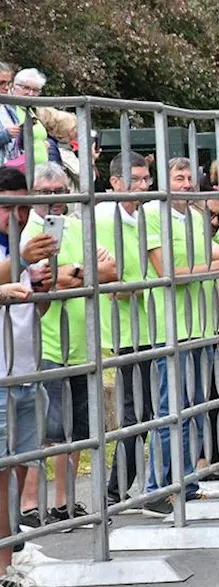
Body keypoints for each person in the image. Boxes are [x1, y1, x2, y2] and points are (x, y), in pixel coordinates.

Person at [19, 162, 118, 529]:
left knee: (78, 429)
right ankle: (31, 504)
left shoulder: (78, 226)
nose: (53, 200)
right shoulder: (26, 228)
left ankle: (65, 502)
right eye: (45, 193)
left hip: (82, 343)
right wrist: (80, 271)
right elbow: (36, 278)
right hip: (41, 344)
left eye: (60, 192)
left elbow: (111, 270)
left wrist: (69, 271)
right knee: (46, 430)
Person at [138, 157, 219, 517]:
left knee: (191, 409)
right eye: (179, 177)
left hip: (199, 326)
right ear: (165, 180)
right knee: (170, 409)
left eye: (190, 178)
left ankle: (185, 483)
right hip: (171, 328)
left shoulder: (196, 218)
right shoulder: (154, 214)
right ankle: (156, 489)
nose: (187, 183)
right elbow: (168, 270)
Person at [0, 166, 57, 587]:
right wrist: (21, 263)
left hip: (25, 370)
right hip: (2, 376)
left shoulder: (19, 251)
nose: (17, 215)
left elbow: (30, 313)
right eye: (9, 208)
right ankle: (5, 567)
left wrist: (43, 288)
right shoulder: (14, 252)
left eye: (23, 207)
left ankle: (12, 554)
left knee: (19, 469)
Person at [97, 152, 157, 510]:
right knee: (139, 409)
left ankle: (121, 489)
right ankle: (116, 491)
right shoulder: (105, 216)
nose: (142, 185)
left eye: (145, 179)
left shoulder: (144, 216)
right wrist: (127, 286)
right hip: (121, 325)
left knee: (144, 409)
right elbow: (106, 272)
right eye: (134, 179)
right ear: (115, 182)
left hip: (147, 322)